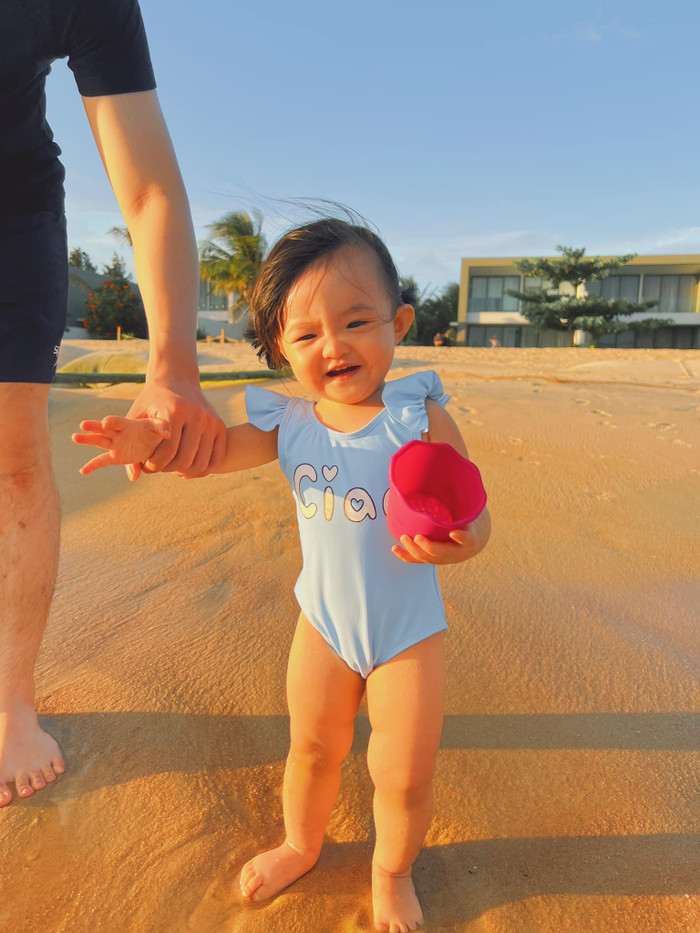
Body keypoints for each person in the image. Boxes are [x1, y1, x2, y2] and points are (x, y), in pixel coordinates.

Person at [73, 219, 492, 932]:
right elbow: (211, 453)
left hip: (409, 630)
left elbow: (473, 506)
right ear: (279, 348)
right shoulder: (288, 422)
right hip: (323, 623)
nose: (334, 344)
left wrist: (466, 540)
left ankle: (391, 871)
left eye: (357, 320)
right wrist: (155, 444)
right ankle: (302, 841)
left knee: (403, 771)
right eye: (306, 335)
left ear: (399, 322)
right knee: (311, 746)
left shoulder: (416, 414)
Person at [0, 0, 226, 808]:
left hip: (11, 211)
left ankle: (9, 702)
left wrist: (173, 366)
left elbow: (150, 192)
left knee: (15, 456)